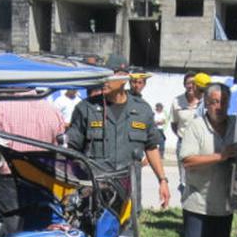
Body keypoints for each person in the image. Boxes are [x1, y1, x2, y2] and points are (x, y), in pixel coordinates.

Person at [0, 93, 66, 234]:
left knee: (12, 234)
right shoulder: (52, 109)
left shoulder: (2, 108)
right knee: (40, 231)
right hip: (43, 182)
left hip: (10, 184)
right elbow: (62, 147)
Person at [66, 72, 171, 209]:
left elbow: (151, 147)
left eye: (108, 77)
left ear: (123, 79)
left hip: (128, 194)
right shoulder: (86, 108)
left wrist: (162, 180)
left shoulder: (142, 110)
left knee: (127, 229)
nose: (103, 81)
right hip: (94, 194)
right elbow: (72, 150)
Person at [177, 83, 237, 237]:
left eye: (223, 102)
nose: (219, 107)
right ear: (206, 104)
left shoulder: (236, 125)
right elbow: (188, 160)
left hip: (224, 204)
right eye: (214, 102)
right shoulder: (196, 127)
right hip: (198, 203)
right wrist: (221, 156)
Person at [169, 72, 207, 193]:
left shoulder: (205, 101)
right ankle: (185, 206)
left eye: (193, 83)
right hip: (183, 143)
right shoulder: (177, 101)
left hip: (201, 145)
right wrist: (184, 136)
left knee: (201, 177)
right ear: (184, 85)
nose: (190, 86)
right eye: (187, 83)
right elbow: (174, 123)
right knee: (184, 179)